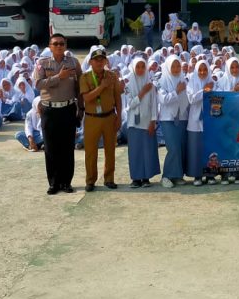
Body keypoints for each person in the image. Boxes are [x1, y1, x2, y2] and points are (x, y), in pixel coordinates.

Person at [33, 34, 81, 195]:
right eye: (56, 44)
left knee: (67, 147)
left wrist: (80, 108)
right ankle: (53, 183)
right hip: (50, 110)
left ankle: (66, 182)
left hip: (67, 109)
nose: (59, 46)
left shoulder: (73, 63)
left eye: (62, 43)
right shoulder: (42, 63)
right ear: (50, 46)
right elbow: (39, 84)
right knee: (51, 148)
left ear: (66, 45)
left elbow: (79, 86)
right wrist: (58, 77)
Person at [79, 49, 123, 192]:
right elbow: (86, 98)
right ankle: (90, 180)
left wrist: (119, 115)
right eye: (96, 59)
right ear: (90, 62)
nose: (99, 62)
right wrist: (102, 86)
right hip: (92, 118)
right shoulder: (85, 77)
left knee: (110, 149)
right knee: (91, 151)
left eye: (101, 59)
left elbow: (117, 97)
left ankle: (109, 178)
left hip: (109, 116)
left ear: (105, 61)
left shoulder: (112, 76)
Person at [125, 56, 160, 188]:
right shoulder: (128, 83)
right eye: (138, 67)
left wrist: (153, 122)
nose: (140, 69)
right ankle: (136, 178)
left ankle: (146, 178)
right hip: (134, 123)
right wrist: (141, 93)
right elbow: (129, 105)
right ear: (133, 67)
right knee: (135, 151)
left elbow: (154, 105)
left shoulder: (150, 84)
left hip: (147, 123)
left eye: (142, 67)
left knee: (147, 151)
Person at [157, 54, 190, 189]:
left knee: (181, 147)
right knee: (173, 147)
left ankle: (177, 175)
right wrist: (177, 91)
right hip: (168, 119)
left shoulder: (183, 79)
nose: (176, 69)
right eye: (173, 66)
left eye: (178, 66)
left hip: (182, 117)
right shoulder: (162, 81)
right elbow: (163, 100)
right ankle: (166, 176)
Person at [185, 60, 213, 185]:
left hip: (210, 120)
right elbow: (191, 99)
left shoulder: (213, 82)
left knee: (209, 149)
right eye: (200, 70)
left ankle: (210, 175)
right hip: (195, 121)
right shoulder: (191, 82)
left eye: (205, 69)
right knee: (196, 149)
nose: (202, 72)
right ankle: (197, 175)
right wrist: (204, 91)